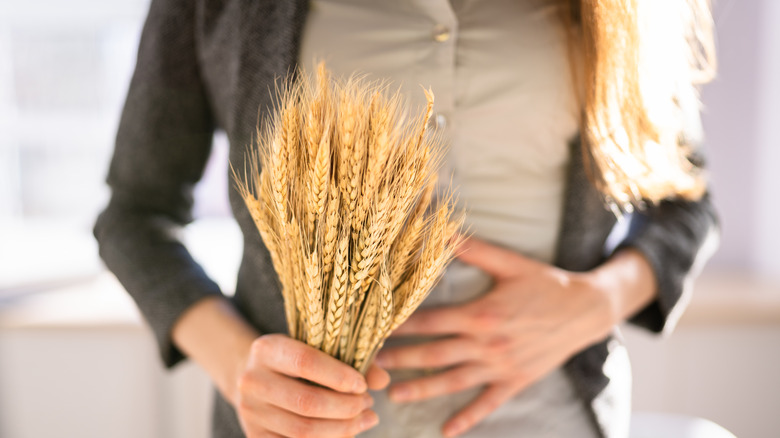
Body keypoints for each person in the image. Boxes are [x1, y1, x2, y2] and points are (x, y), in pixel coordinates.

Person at [94, 0, 718, 437]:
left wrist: (599, 299)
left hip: (551, 423)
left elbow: (685, 201)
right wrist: (241, 368)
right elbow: (135, 215)